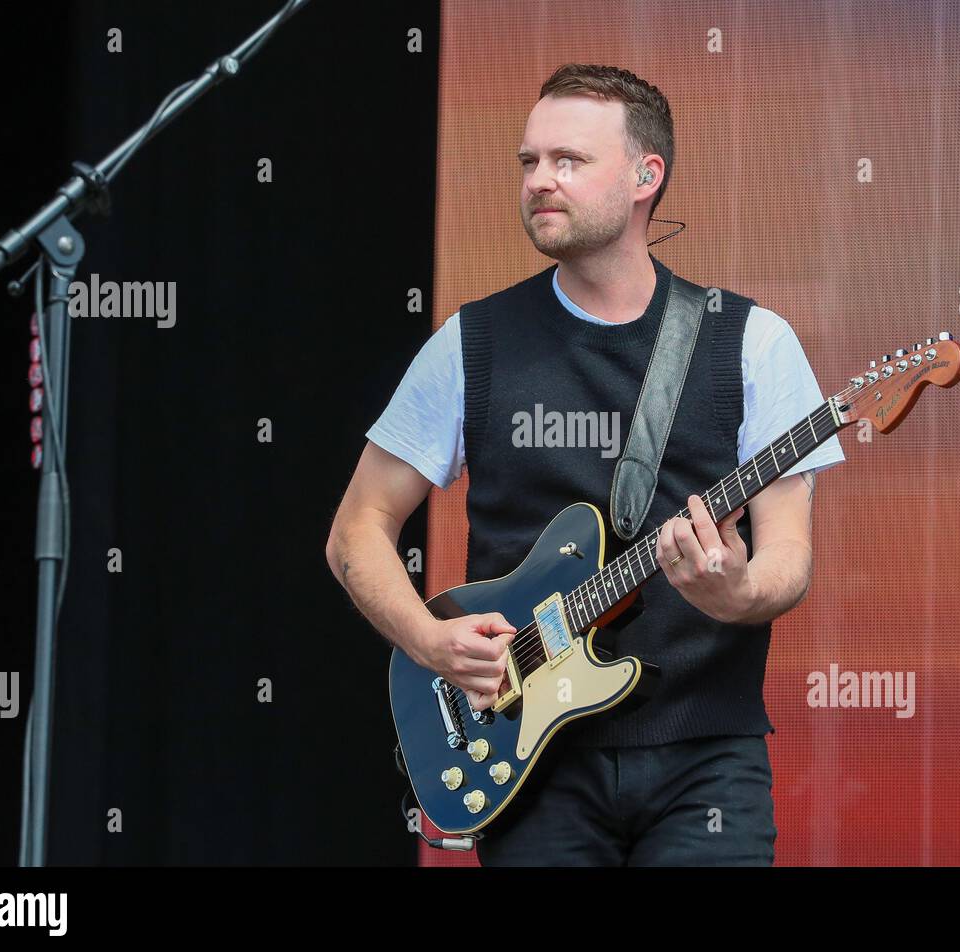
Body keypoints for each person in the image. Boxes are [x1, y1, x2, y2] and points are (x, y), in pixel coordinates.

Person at [325, 63, 844, 866]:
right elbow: (357, 529)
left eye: (568, 161)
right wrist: (429, 641)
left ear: (647, 176)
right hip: (532, 762)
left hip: (706, 755)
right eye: (529, 162)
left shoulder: (752, 342)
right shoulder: (474, 343)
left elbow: (789, 561)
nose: (540, 181)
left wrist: (736, 590)